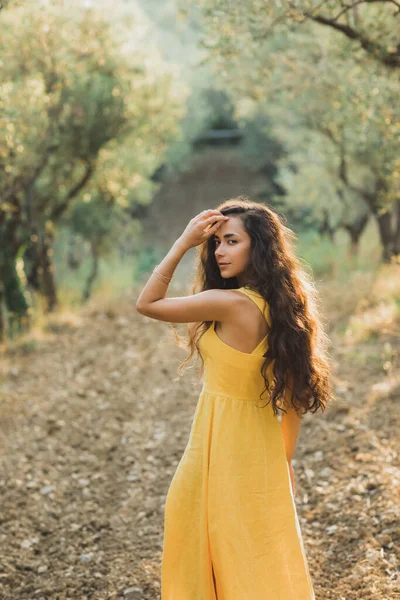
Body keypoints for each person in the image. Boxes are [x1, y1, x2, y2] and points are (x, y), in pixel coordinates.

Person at [136, 196, 332, 599]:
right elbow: (295, 398)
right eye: (216, 244)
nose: (220, 252)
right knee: (249, 546)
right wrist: (285, 461)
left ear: (256, 247)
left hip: (222, 439)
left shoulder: (230, 303)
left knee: (200, 533)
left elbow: (147, 303)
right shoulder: (284, 308)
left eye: (231, 241)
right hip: (258, 444)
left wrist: (183, 244)